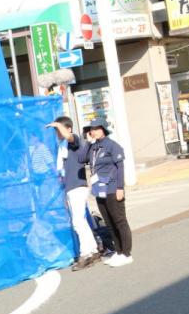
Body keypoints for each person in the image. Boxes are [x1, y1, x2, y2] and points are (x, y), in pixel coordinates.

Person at [48, 116, 101, 270]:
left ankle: (86, 254)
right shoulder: (62, 148)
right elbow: (62, 173)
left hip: (78, 186)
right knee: (80, 221)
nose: (57, 133)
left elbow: (68, 136)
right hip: (70, 188)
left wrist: (58, 124)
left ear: (67, 129)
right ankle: (92, 250)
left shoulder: (73, 141)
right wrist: (64, 193)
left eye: (58, 130)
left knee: (78, 222)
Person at [82, 122, 133, 266]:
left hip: (112, 188)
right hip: (100, 190)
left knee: (119, 221)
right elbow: (81, 159)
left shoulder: (112, 145)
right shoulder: (93, 147)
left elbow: (120, 167)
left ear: (103, 130)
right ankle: (118, 251)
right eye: (92, 129)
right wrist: (87, 142)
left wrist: (120, 188)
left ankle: (127, 253)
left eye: (97, 129)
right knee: (109, 223)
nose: (94, 131)